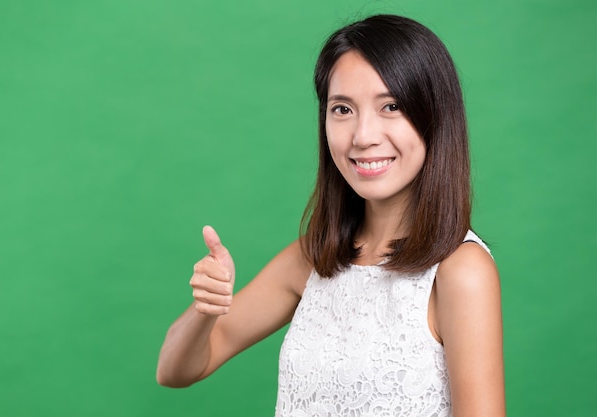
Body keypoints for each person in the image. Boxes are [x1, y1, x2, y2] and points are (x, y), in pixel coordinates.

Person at [156, 14, 505, 417]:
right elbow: (175, 370)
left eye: (390, 106)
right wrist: (206, 309)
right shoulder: (314, 258)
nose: (362, 135)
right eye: (343, 109)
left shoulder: (460, 270)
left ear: (434, 116)